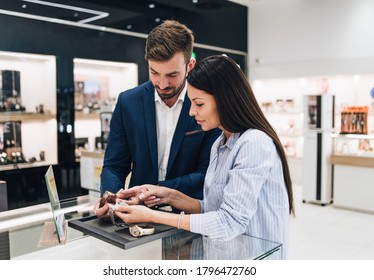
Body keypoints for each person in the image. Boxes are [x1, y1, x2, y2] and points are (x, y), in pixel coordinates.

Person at [114, 55, 295, 259]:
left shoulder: (253, 143)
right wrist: (166, 194)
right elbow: (212, 208)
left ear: (225, 100)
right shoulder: (220, 143)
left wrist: (153, 216)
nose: (192, 112)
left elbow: (229, 222)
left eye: (199, 104)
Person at [95, 20, 220, 218]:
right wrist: (110, 197)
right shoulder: (128, 102)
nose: (162, 84)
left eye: (172, 75)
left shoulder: (206, 104)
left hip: (190, 219)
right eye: (154, 72)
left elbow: (207, 173)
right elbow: (114, 165)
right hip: (135, 216)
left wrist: (156, 192)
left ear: (190, 66)